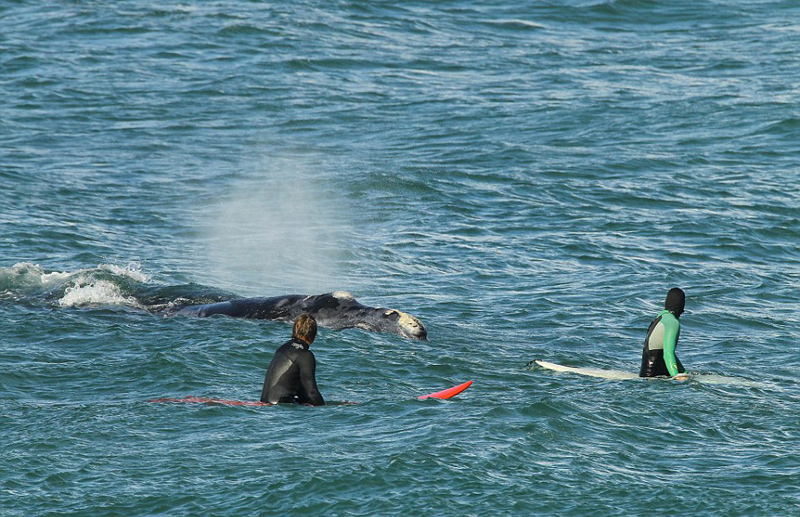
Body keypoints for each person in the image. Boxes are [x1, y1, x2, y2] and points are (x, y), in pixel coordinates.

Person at [260, 313, 325, 405]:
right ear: (313, 335)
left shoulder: (283, 348)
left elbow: (301, 390)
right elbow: (311, 392)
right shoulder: (305, 355)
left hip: (266, 404)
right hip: (280, 408)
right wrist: (326, 410)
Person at [639, 287, 688, 379]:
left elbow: (668, 353)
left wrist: (684, 372)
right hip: (655, 379)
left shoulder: (660, 318)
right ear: (682, 305)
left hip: (646, 376)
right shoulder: (672, 322)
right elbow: (668, 354)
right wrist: (677, 376)